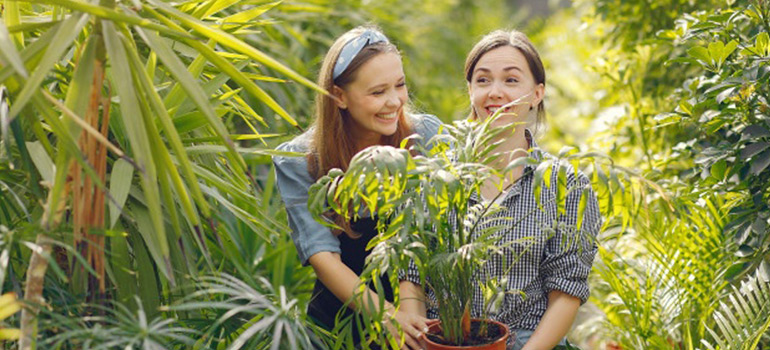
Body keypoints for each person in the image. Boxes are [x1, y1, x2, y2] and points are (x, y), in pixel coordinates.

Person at [401, 29, 601, 350]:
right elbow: (410, 267)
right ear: (470, 90)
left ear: (537, 93)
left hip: (528, 341)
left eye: (510, 81)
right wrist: (417, 336)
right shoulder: (435, 175)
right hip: (443, 341)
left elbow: (566, 291)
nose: (495, 92)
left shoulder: (567, 184)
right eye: (482, 80)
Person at [273, 26, 439, 350]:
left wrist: (409, 318)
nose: (394, 102)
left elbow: (423, 233)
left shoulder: (426, 137)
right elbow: (322, 256)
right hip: (338, 326)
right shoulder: (300, 160)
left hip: (419, 318)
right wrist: (388, 317)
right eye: (378, 93)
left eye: (400, 85)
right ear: (339, 96)